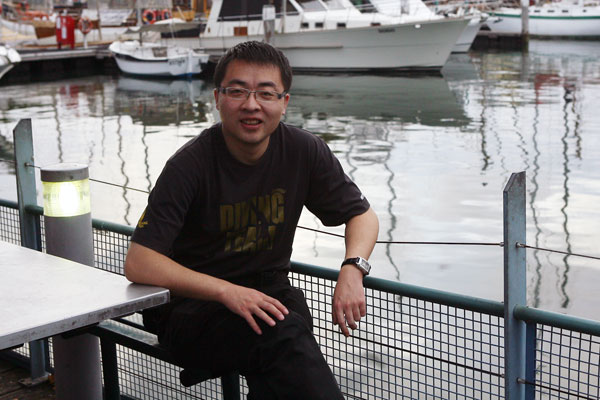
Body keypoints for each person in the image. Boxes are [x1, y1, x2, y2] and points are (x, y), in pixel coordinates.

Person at [125, 40, 379, 400]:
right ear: (217, 98)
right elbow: (139, 262)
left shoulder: (304, 150)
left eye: (266, 94)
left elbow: (361, 214)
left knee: (290, 331)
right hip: (191, 307)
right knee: (283, 335)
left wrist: (353, 269)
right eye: (237, 91)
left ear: (284, 103)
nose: (251, 104)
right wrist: (227, 292)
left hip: (268, 291)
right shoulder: (189, 165)